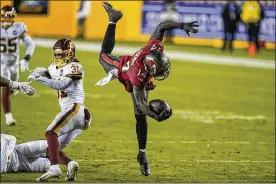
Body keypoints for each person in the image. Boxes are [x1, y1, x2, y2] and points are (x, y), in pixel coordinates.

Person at [96, 2, 199, 176]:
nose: (163, 73)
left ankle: (142, 155)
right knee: (104, 55)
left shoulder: (155, 48)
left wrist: (182, 26)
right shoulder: (138, 75)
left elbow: (162, 26)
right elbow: (142, 104)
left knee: (139, 116)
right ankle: (113, 19)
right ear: (151, 69)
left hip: (138, 76)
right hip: (123, 70)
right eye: (159, 71)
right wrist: (155, 115)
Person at [27, 39, 92, 181]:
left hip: (75, 108)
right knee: (50, 149)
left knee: (50, 133)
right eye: (56, 55)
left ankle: (54, 168)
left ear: (70, 53)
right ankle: (70, 164)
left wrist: (41, 79)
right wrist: (39, 72)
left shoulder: (75, 66)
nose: (58, 58)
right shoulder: (53, 67)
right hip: (74, 113)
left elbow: (62, 84)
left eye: (62, 55)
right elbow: (51, 74)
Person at [1, 5, 35, 126]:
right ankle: (8, 116)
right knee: (6, 84)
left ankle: (6, 97)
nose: (7, 19)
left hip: (14, 64)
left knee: (12, 88)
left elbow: (30, 44)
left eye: (9, 16)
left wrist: (26, 59)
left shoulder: (19, 28)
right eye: (5, 17)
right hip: (1, 63)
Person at [1, 130, 82, 181]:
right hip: (20, 166)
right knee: (48, 165)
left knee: (47, 145)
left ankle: (70, 163)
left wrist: (8, 153)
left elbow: (11, 138)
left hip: (19, 151)